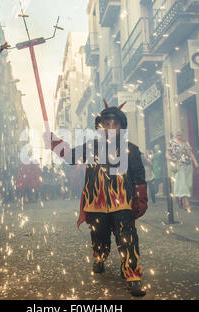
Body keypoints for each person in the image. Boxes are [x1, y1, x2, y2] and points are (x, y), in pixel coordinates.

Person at [46, 101, 148, 297]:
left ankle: (132, 274)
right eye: (106, 124)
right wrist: (54, 142)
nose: (110, 128)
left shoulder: (131, 149)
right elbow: (69, 157)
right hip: (96, 203)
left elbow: (138, 176)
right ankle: (100, 257)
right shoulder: (91, 146)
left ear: (121, 126)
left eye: (114, 124)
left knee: (127, 237)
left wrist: (141, 197)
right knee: (99, 235)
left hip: (122, 203)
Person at [166, 130, 199, 212]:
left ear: (182, 135)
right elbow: (167, 154)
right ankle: (186, 203)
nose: (179, 135)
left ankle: (180, 197)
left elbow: (190, 153)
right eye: (177, 134)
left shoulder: (186, 143)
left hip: (188, 164)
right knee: (183, 183)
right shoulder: (171, 143)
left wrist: (195, 162)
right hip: (179, 165)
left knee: (188, 184)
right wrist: (171, 159)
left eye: (180, 134)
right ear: (175, 135)